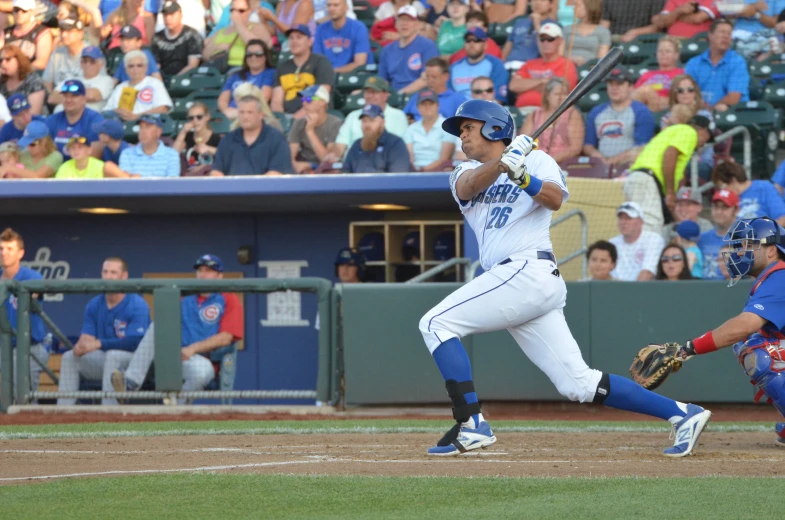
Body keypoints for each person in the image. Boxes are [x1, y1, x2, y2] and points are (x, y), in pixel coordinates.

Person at [421, 99, 712, 457]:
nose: (462, 136)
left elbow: (555, 199)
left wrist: (523, 175)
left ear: (493, 127)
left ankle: (471, 423)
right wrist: (503, 164)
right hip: (514, 280)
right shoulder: (462, 170)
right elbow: (467, 187)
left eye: (468, 127)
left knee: (435, 323)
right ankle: (683, 414)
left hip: (528, 270)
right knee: (577, 383)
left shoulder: (538, 160)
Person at [672, 217, 785, 446]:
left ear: (771, 250)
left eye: (749, 245)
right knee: (751, 342)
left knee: (759, 352)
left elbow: (743, 325)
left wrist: (689, 349)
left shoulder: (780, 277)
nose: (741, 251)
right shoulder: (773, 277)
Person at [111, 254, 244, 399]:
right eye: (200, 270)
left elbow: (226, 338)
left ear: (219, 276)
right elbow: (166, 328)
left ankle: (176, 408)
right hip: (175, 356)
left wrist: (193, 349)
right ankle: (130, 382)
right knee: (159, 324)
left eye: (209, 270)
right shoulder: (185, 296)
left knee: (202, 372)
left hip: (202, 361)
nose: (203, 275)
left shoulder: (229, 298)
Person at [56, 257, 151, 406]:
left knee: (113, 355)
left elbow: (135, 342)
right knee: (69, 357)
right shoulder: (95, 303)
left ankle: (108, 411)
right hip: (104, 361)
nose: (108, 276)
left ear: (124, 276)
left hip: (131, 364)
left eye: (113, 272)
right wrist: (82, 346)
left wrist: (99, 343)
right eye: (105, 272)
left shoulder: (137, 303)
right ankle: (63, 410)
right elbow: (87, 338)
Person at [625, 114, 713, 232]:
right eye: (707, 139)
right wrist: (670, 192)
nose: (704, 145)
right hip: (647, 180)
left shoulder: (672, 131)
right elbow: (670, 153)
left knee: (638, 229)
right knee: (651, 228)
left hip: (638, 180)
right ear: (704, 130)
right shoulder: (689, 132)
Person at [0, 228, 50, 397]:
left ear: (20, 253)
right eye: (1, 249)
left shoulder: (31, 276)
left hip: (28, 348)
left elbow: (34, 293)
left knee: (22, 399)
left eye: (9, 249)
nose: (4, 253)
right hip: (3, 347)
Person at [582, 68, 655, 167]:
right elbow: (588, 145)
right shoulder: (596, 112)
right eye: (611, 84)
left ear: (631, 87)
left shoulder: (641, 111)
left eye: (619, 84)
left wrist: (611, 161)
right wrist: (600, 158)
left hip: (629, 165)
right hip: (599, 166)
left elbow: (641, 146)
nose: (614, 88)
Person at [326, 76, 408, 160]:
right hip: (355, 164)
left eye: (374, 92)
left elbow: (399, 147)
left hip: (384, 163)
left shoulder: (398, 116)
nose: (370, 96)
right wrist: (334, 156)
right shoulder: (353, 116)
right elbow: (341, 144)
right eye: (367, 92)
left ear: (385, 95)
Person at [211, 95, 293, 175]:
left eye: (250, 112)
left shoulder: (276, 139)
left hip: (265, 188)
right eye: (242, 112)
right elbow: (216, 171)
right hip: (232, 188)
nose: (245, 117)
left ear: (261, 115)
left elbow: (276, 173)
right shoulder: (227, 141)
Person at [684, 18, 749, 112]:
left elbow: (733, 98)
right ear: (710, 35)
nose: (726, 36)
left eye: (729, 34)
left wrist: (709, 111)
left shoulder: (737, 62)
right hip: (699, 112)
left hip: (729, 114)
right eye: (722, 32)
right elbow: (687, 93)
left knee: (722, 108)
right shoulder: (694, 63)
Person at [270, 24, 335, 115]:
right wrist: (281, 119)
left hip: (313, 115)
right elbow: (276, 101)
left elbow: (321, 95)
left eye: (299, 37)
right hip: (287, 116)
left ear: (309, 42)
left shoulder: (321, 62)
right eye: (291, 38)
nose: (294, 41)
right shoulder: (282, 67)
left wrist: (298, 117)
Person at [510, 22, 578, 109]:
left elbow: (559, 89)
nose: (545, 43)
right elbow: (514, 85)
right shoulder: (529, 63)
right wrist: (542, 81)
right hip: (521, 109)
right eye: (542, 39)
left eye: (550, 39)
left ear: (559, 41)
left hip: (549, 111)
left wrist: (526, 85)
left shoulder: (566, 64)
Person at [521, 77, 584, 164]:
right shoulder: (534, 115)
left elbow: (575, 148)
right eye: (557, 94)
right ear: (547, 96)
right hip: (534, 163)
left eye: (565, 94)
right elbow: (522, 143)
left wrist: (549, 161)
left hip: (562, 164)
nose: (561, 97)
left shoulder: (573, 114)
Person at [378, 6, 439, 93]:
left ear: (417, 24)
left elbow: (426, 79)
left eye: (409, 20)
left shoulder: (428, 46)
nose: (404, 24)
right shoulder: (387, 50)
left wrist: (401, 93)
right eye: (401, 20)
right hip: (392, 95)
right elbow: (383, 80)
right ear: (396, 24)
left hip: (420, 96)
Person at [104, 50, 173, 122]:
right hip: (121, 125)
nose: (135, 69)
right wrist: (117, 111)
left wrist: (138, 116)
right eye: (131, 66)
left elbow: (163, 109)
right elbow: (106, 111)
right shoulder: (120, 87)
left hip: (146, 125)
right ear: (126, 69)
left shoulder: (155, 83)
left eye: (139, 65)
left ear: (146, 68)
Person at [203, 0, 273, 70]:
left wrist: (239, 24)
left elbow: (260, 46)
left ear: (249, 11)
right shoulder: (221, 31)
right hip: (216, 67)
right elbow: (204, 56)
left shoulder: (257, 27)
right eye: (232, 10)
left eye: (241, 11)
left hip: (241, 68)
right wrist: (216, 47)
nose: (236, 14)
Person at [711, 160, 785, 227]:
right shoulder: (724, 198)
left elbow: (782, 218)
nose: (721, 190)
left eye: (722, 186)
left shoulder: (764, 188)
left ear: (733, 181)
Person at [45, 79, 105, 159]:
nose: (69, 100)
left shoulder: (95, 120)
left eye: (74, 96)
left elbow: (95, 156)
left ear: (84, 99)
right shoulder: (52, 120)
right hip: (57, 168)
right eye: (65, 96)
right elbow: (44, 151)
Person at [288, 85, 342, 173]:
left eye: (309, 99)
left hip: (326, 170)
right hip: (303, 169)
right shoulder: (299, 123)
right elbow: (289, 157)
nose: (304, 103)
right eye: (303, 99)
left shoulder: (335, 124)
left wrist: (310, 131)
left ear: (322, 102)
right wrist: (295, 165)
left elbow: (328, 160)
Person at [343, 104, 411, 173]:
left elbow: (398, 177)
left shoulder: (395, 144)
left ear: (382, 123)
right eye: (364, 121)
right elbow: (346, 174)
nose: (367, 125)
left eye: (372, 120)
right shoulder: (357, 145)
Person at [608, 201, 667, 281]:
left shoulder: (653, 240)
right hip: (614, 288)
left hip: (642, 290)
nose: (624, 222)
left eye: (629, 218)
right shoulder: (612, 243)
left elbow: (647, 273)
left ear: (641, 221)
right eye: (621, 218)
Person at [48, 46, 115, 114]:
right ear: (81, 63)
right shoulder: (71, 78)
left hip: (89, 119)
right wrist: (79, 95)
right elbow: (52, 98)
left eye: (92, 62)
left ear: (101, 65)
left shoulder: (106, 80)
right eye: (84, 61)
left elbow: (92, 96)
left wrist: (66, 94)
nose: (87, 64)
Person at [218, 39, 275, 119]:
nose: (253, 57)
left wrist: (241, 112)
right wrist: (226, 111)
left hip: (253, 115)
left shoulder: (270, 73)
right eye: (249, 54)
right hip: (230, 114)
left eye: (258, 54)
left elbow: (263, 98)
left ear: (265, 57)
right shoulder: (235, 75)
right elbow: (223, 99)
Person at [449, 27, 509, 102]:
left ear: (485, 45)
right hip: (457, 110)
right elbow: (448, 96)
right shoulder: (454, 67)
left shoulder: (495, 64)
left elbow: (498, 98)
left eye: (476, 40)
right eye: (468, 41)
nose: (471, 44)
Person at [313, 0, 372, 73]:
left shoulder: (359, 28)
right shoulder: (320, 29)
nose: (331, 9)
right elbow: (317, 60)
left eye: (336, 5)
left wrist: (332, 71)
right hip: (327, 78)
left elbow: (360, 63)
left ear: (346, 7)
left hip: (353, 76)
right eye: (329, 5)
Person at [151, 0, 204, 80]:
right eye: (165, 15)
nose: (168, 18)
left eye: (172, 14)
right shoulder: (157, 37)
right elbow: (155, 65)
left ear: (180, 15)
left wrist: (174, 79)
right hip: (162, 79)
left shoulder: (192, 35)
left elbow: (192, 65)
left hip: (187, 79)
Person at [403, 90, 455, 172]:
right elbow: (410, 156)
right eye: (423, 104)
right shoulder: (411, 129)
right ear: (418, 108)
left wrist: (423, 170)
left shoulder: (447, 126)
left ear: (437, 106)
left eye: (431, 103)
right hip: (415, 170)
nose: (427, 107)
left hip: (439, 170)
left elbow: (444, 158)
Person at [402, 57, 467, 121]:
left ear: (446, 77)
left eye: (434, 77)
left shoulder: (457, 99)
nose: (430, 80)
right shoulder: (417, 96)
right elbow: (403, 117)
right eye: (427, 76)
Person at [632, 36, 685, 113]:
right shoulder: (647, 75)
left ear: (676, 55)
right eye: (660, 51)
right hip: (644, 108)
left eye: (667, 51)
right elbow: (635, 95)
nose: (663, 54)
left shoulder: (682, 73)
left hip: (669, 109)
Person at [698, 188, 740, 279]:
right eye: (716, 207)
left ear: (736, 210)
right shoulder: (702, 239)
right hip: (703, 289)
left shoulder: (747, 240)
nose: (719, 212)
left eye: (724, 207)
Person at [502, 0, 555, 68]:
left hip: (531, 67)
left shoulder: (553, 26)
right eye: (534, 0)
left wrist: (537, 25)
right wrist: (502, 63)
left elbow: (547, 53)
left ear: (551, 5)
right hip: (510, 63)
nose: (537, 3)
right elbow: (508, 47)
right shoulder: (519, 22)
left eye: (542, 1)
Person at [42, 16, 88, 92]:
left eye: (69, 31)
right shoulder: (57, 53)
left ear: (81, 34)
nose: (63, 35)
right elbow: (47, 82)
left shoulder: (91, 53)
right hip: (58, 97)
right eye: (62, 31)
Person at [4, 0, 53, 71]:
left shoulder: (42, 32)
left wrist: (20, 73)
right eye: (16, 10)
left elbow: (41, 62)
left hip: (31, 76)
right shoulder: (6, 33)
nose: (19, 13)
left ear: (32, 12)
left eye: (24, 11)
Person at [173, 102, 223, 168]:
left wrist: (208, 149)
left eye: (199, 117)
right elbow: (173, 154)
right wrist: (183, 132)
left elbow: (225, 155)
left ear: (207, 117)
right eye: (191, 118)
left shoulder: (217, 138)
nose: (195, 120)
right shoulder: (186, 137)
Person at [563, 0, 611, 66]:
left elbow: (601, 59)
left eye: (577, 5)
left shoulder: (603, 32)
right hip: (567, 66)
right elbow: (559, 54)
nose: (573, 8)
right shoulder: (567, 29)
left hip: (590, 69)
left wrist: (587, 64)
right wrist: (571, 59)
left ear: (589, 7)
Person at [0, 45, 46, 115]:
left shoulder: (33, 80)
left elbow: (34, 113)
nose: (3, 63)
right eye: (0, 60)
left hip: (30, 122)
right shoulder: (2, 81)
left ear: (18, 60)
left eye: (8, 59)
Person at [652, 0, 719, 38]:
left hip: (699, 41)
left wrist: (674, 15)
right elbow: (663, 22)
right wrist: (679, 11)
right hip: (672, 41)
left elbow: (697, 18)